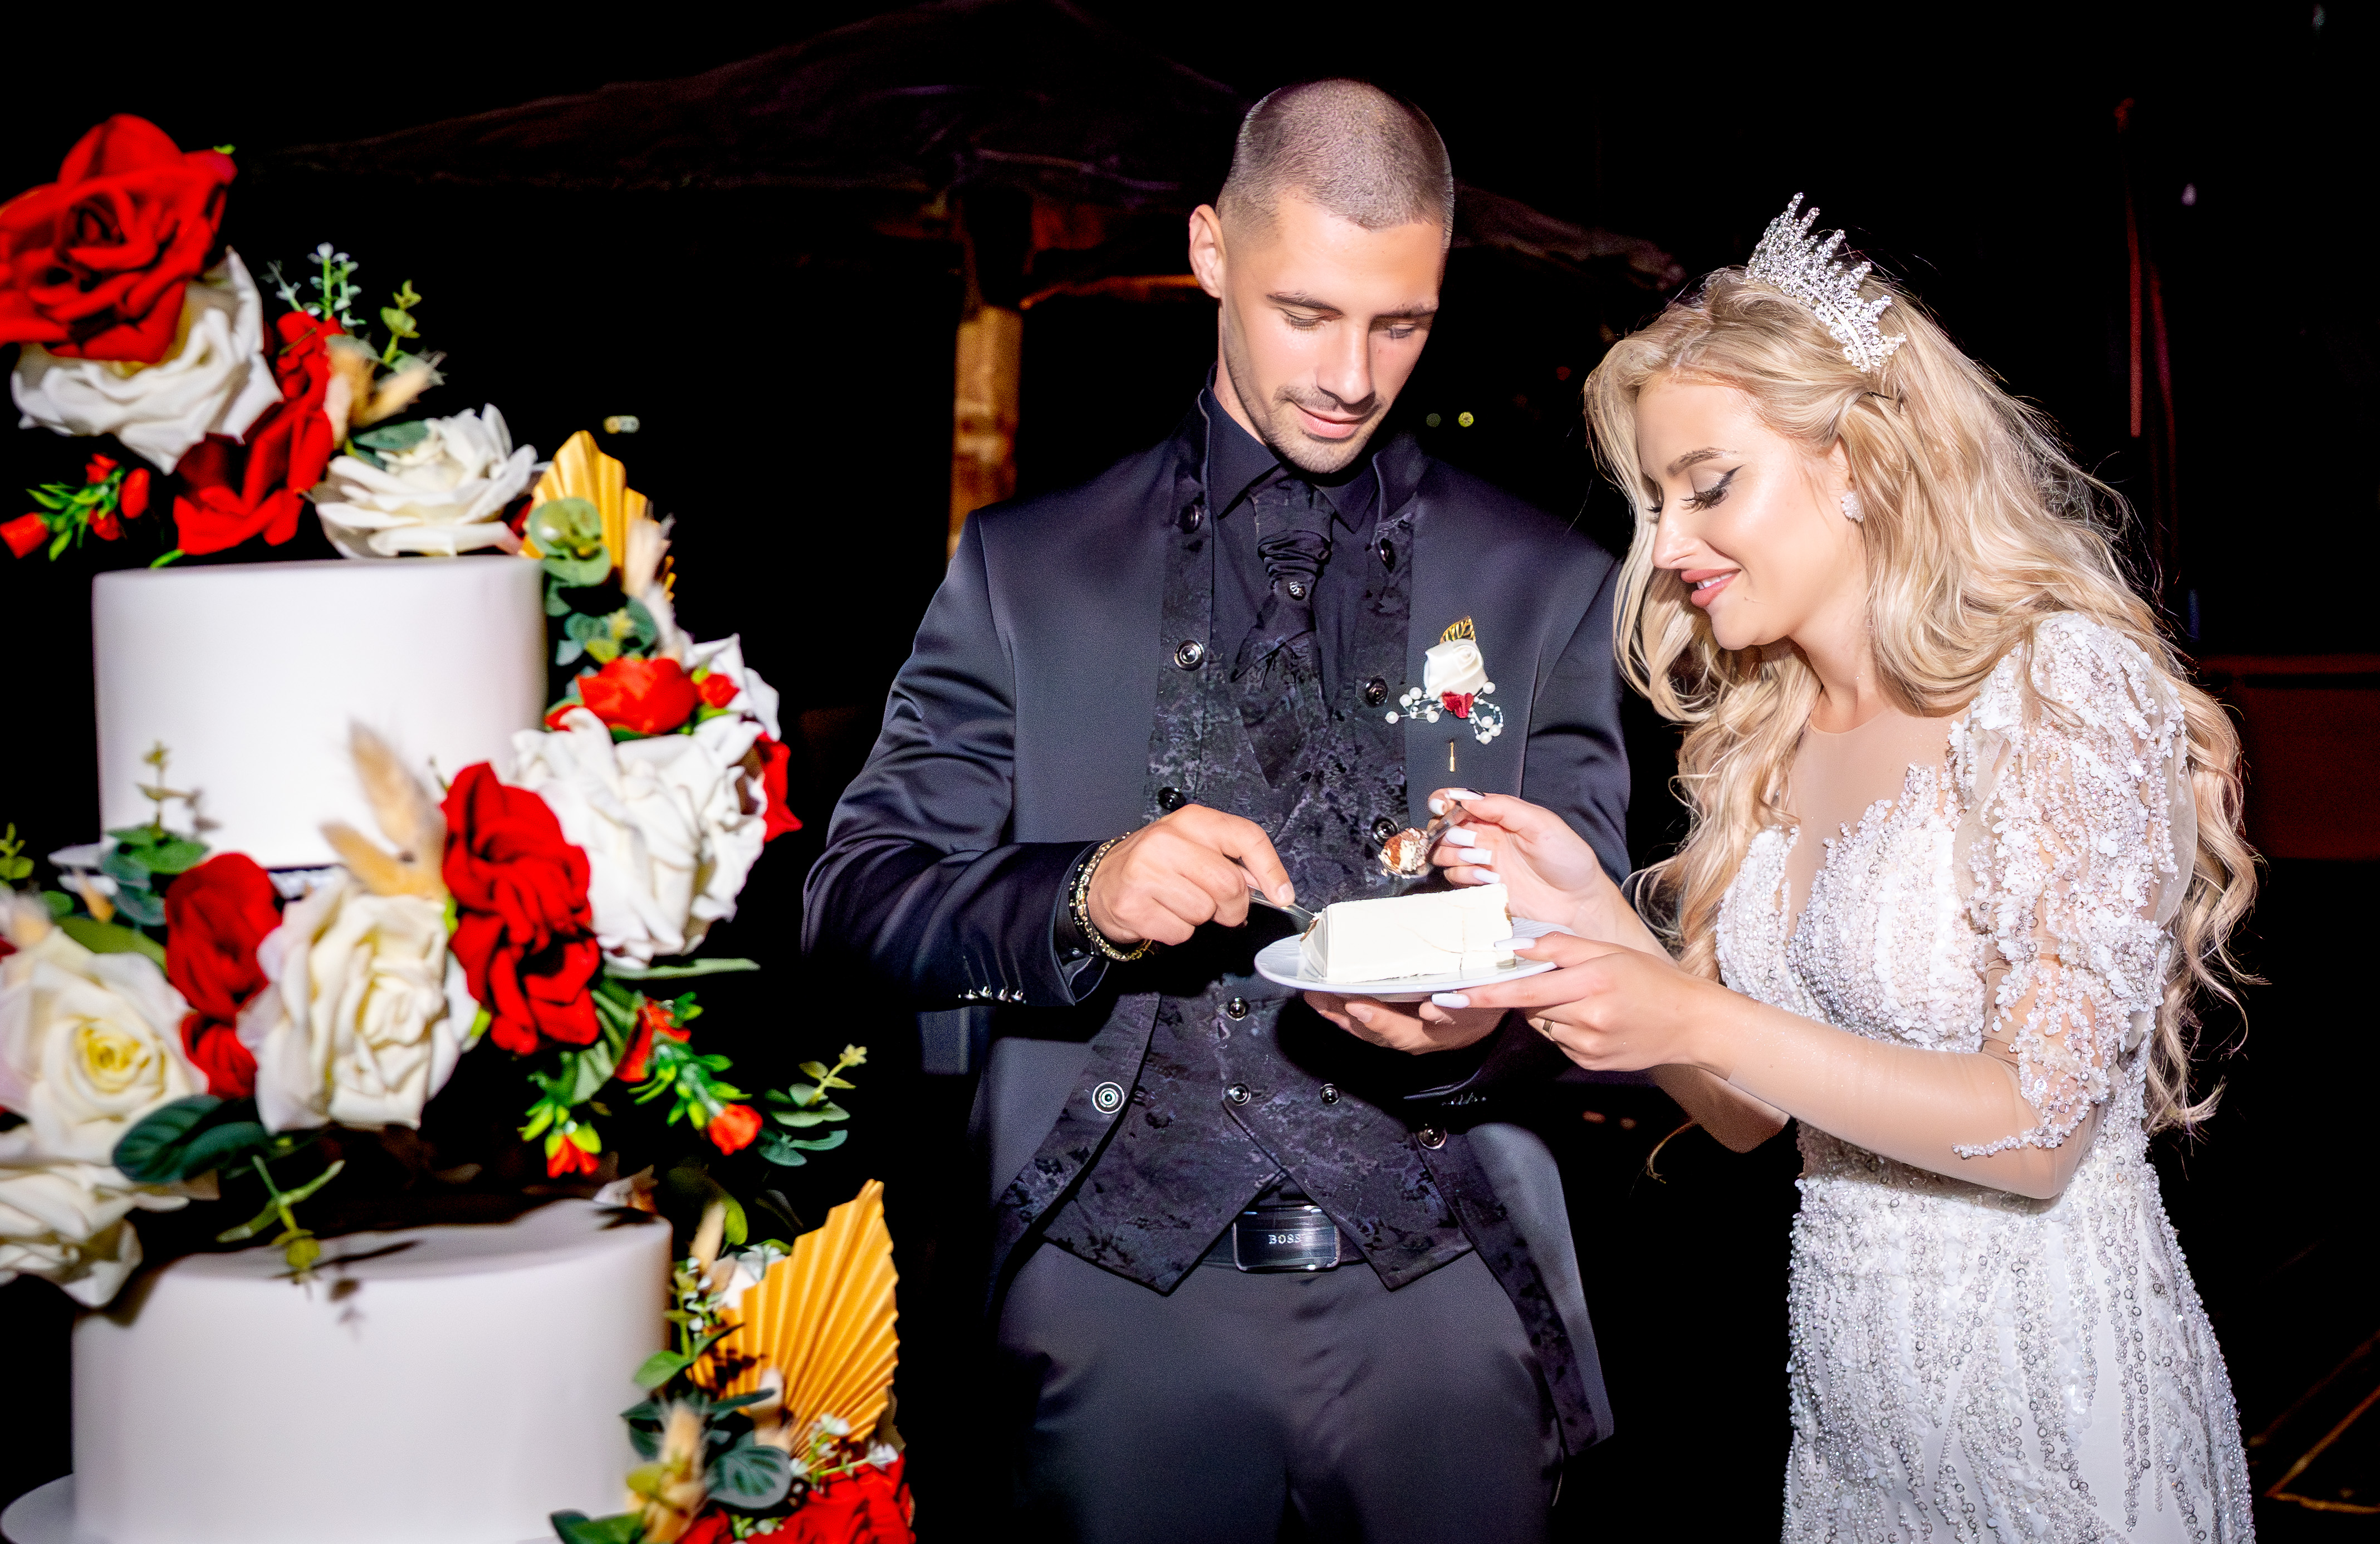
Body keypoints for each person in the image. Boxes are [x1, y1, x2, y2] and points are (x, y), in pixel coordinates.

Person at [801, 80, 1627, 1544]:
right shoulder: (1025, 571)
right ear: (1207, 251)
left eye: (1400, 324)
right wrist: (1082, 893)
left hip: (1445, 1304)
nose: (1351, 375)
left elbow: (1600, 952)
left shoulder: (1544, 585)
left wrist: (1483, 1022)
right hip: (1115, 1310)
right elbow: (854, 899)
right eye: (1306, 312)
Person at [1437, 199, 2260, 1541]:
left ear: (1862, 461)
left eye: (1711, 485)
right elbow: (1748, 1115)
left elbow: (2037, 1130)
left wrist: (1689, 1011)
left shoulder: (2060, 691)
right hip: (1855, 1426)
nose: (1670, 547)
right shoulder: (1765, 735)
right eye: (1656, 503)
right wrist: (1593, 918)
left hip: (2064, 1418)